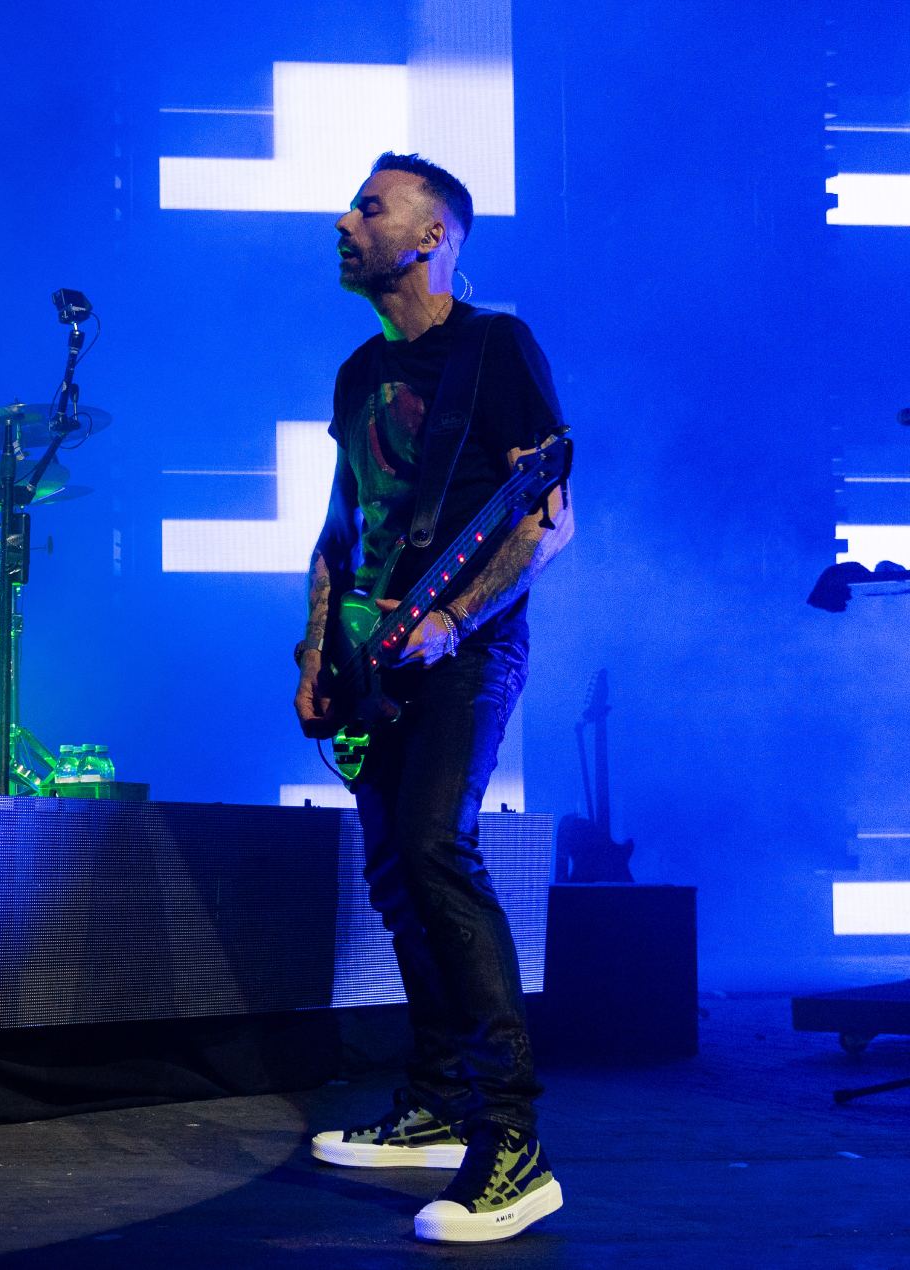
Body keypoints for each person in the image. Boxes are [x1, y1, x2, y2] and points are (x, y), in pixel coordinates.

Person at [294, 153, 574, 1244]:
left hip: (467, 649)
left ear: (431, 237)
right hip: (370, 660)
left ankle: (513, 1143)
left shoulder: (495, 349)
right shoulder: (357, 370)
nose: (342, 218)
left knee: (434, 851)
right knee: (395, 877)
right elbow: (340, 527)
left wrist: (455, 619)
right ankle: (433, 1102)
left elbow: (545, 520)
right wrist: (316, 651)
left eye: (368, 205)